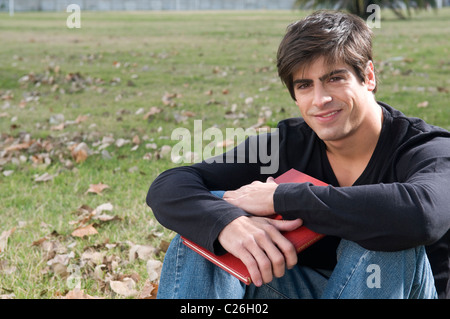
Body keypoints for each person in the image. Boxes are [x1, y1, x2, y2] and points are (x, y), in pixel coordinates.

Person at [147, 10, 450, 299]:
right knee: (204, 234)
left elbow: (422, 214)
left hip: (402, 286)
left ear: (368, 76)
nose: (321, 99)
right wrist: (228, 224)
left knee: (386, 232)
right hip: (304, 287)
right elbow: (171, 185)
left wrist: (281, 198)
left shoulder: (426, 147)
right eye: (305, 85)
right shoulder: (287, 145)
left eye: (335, 78)